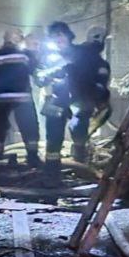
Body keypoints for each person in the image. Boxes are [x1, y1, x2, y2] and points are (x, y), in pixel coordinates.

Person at [40, 21, 111, 173]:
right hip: (58, 99)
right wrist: (43, 77)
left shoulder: (82, 53)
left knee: (79, 128)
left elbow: (98, 70)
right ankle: (52, 169)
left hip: (81, 98)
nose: (57, 39)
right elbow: (40, 77)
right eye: (53, 36)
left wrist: (99, 95)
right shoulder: (49, 57)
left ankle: (80, 161)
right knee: (54, 134)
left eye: (60, 35)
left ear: (68, 35)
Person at [0, 29, 41, 168]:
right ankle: (32, 157)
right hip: (22, 97)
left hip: (0, 98)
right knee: (29, 126)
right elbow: (36, 70)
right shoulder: (25, 55)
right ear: (17, 39)